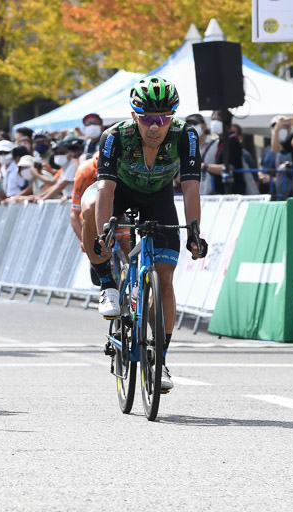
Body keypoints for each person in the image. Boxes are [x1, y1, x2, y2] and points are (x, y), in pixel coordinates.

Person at [86, 77, 205, 393]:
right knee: (89, 207)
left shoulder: (185, 136)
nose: (156, 126)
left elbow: (191, 187)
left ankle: (160, 358)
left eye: (164, 118)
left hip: (158, 199)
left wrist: (194, 232)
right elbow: (105, 189)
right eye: (147, 119)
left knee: (164, 280)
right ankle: (108, 284)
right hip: (120, 193)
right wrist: (104, 234)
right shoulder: (116, 137)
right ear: (134, 115)